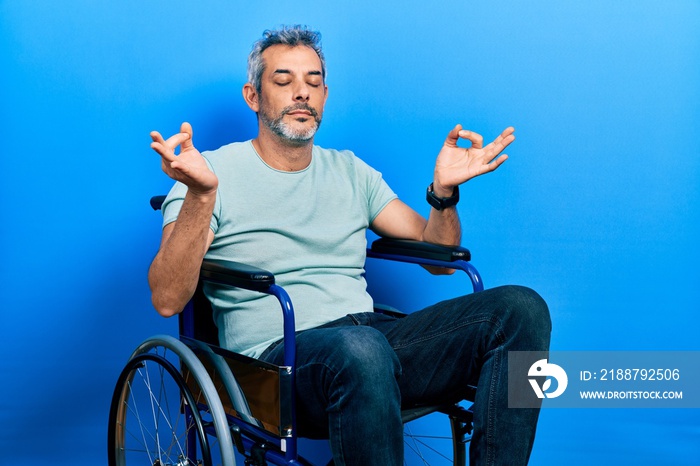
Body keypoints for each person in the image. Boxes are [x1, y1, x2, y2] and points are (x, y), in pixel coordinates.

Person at [148, 25, 551, 466]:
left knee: (522, 309)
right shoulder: (209, 173)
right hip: (280, 363)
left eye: (313, 82)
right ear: (253, 96)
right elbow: (168, 298)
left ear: (324, 96)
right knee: (361, 349)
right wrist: (202, 195)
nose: (301, 93)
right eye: (283, 81)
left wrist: (443, 194)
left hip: (371, 340)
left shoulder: (351, 171)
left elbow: (437, 254)